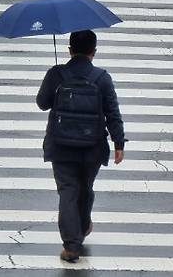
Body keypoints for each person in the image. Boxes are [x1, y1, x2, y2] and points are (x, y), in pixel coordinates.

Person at [36, 30, 125, 263]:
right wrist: (118, 143)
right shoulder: (102, 78)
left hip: (61, 146)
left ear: (69, 50)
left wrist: (55, 81)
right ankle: (83, 226)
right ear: (93, 52)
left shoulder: (57, 74)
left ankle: (71, 245)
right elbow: (112, 113)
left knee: (68, 191)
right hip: (92, 147)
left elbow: (41, 104)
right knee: (85, 188)